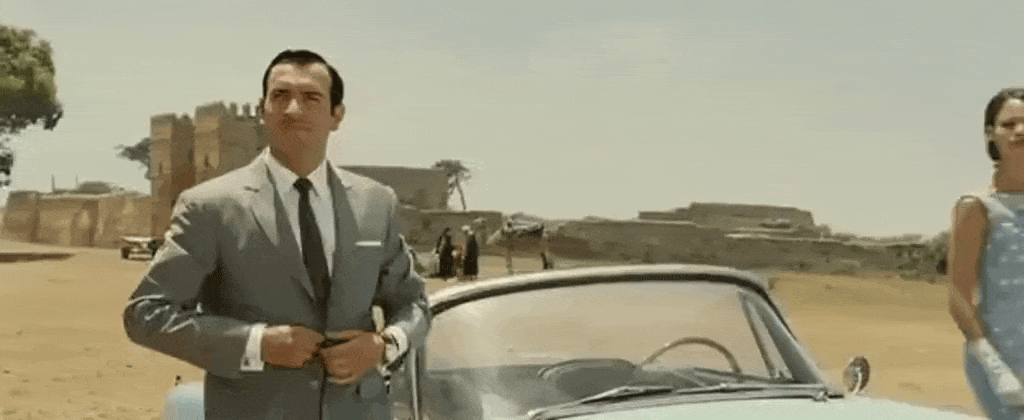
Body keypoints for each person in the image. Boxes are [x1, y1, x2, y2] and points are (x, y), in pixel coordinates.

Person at [122, 49, 431, 419]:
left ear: (336, 115)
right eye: (280, 96)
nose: (293, 109)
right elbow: (147, 313)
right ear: (262, 110)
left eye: (311, 97)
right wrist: (257, 344)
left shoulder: (376, 203)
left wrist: (384, 345)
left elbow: (413, 303)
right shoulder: (210, 207)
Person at [949, 87, 1024, 419]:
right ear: (990, 134)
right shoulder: (977, 206)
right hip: (1002, 360)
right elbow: (959, 295)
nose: (1020, 131)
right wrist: (994, 366)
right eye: (1009, 124)